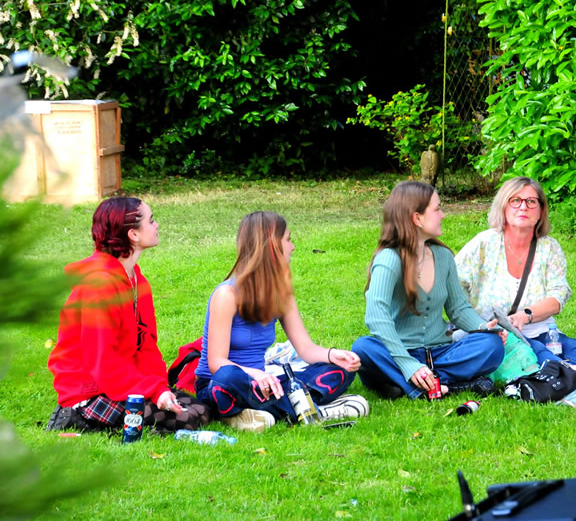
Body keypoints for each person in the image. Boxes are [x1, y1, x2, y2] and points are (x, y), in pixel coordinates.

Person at [456, 176, 576, 388]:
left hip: (540, 328)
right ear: (503, 206)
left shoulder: (549, 248)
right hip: (499, 336)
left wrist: (524, 316)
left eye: (531, 201)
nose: (523, 207)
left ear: (540, 211)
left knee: (570, 347)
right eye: (515, 200)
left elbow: (559, 295)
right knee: (539, 354)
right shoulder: (483, 244)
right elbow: (453, 284)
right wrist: (473, 323)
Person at [46, 197, 210, 432]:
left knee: (201, 410)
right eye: (151, 221)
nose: (157, 226)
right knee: (187, 420)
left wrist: (159, 387)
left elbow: (147, 346)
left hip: (122, 380)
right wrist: (152, 391)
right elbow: (103, 361)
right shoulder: (99, 286)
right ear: (133, 234)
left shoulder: (137, 281)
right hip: (91, 388)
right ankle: (75, 416)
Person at [194, 211, 368, 431]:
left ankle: (255, 414)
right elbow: (216, 363)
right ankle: (315, 411)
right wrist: (256, 374)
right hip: (225, 383)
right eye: (288, 239)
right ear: (271, 245)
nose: (293, 246)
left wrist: (334, 355)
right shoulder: (227, 294)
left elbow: (305, 349)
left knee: (341, 369)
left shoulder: (281, 293)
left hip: (266, 384)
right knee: (228, 379)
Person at [352, 181, 505, 400]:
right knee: (364, 348)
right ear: (417, 218)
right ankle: (437, 385)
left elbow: (459, 309)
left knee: (491, 345)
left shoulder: (443, 257)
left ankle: (409, 385)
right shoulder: (389, 259)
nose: (442, 215)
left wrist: (484, 327)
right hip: (398, 352)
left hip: (441, 352)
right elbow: (376, 316)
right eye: (437, 209)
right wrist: (407, 364)